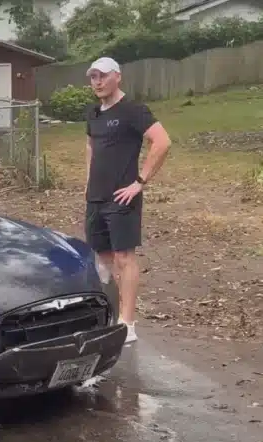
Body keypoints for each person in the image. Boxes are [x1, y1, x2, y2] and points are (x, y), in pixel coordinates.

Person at [83, 57, 172, 344]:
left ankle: (127, 323)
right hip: (96, 197)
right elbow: (90, 147)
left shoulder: (133, 110)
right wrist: (88, 184)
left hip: (122, 197)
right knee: (104, 257)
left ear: (117, 77)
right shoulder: (94, 113)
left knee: (124, 257)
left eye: (102, 76)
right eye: (93, 77)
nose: (97, 81)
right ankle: (116, 313)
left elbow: (162, 141)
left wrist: (140, 182)